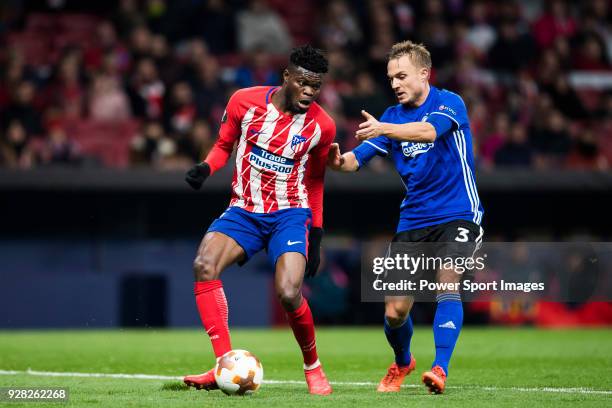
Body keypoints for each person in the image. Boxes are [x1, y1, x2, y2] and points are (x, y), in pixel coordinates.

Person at [328, 40, 484, 394]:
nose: (395, 84)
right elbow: (355, 161)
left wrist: (383, 129)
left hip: (459, 213)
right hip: (413, 221)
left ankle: (440, 369)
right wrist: (335, 161)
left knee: (448, 282)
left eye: (402, 76)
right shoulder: (392, 116)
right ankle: (402, 362)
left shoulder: (449, 103)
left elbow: (428, 132)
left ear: (424, 73)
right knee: (395, 312)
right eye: (391, 78)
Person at [183, 45, 335, 395]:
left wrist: (317, 233)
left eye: (317, 86)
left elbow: (315, 181)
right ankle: (224, 364)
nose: (310, 92)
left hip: (290, 214)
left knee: (287, 291)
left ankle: (313, 367)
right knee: (204, 265)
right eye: (303, 83)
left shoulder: (322, 127)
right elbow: (224, 145)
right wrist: (207, 167)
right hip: (245, 210)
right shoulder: (244, 102)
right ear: (286, 77)